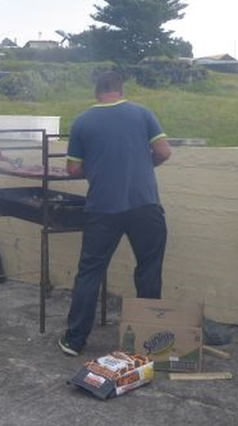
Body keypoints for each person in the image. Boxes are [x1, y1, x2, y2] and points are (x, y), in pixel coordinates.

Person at [58, 71, 172, 356]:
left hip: (102, 208)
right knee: (148, 269)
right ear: (121, 90)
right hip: (145, 205)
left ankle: (75, 340)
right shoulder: (143, 113)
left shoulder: (83, 121)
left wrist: (98, 169)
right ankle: (148, 337)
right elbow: (164, 151)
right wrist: (144, 166)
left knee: (90, 272)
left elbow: (73, 169)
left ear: (97, 92)